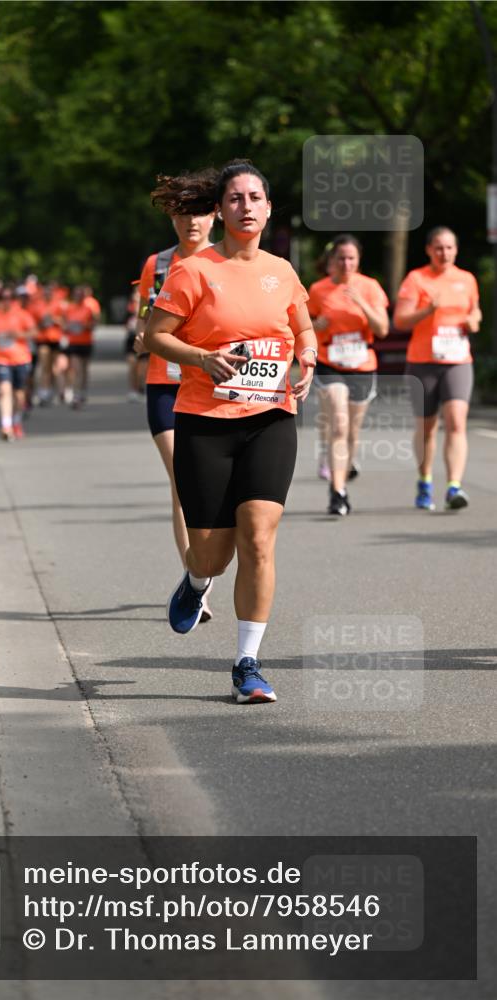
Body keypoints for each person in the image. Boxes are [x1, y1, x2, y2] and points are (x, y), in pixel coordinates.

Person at [144, 160, 317, 704]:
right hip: (205, 421)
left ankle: (248, 663)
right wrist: (202, 357)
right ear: (220, 209)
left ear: (268, 208)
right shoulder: (195, 271)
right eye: (235, 197)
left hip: (271, 417)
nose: (246, 206)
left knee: (260, 540)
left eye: (255, 197)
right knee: (212, 555)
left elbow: (302, 325)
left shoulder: (282, 271)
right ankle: (196, 582)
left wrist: (308, 353)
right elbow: (154, 336)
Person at [134, 170, 218, 621]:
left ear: (215, 216)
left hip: (208, 386)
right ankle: (196, 584)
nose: (192, 223)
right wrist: (140, 336)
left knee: (205, 488)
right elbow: (145, 317)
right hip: (164, 383)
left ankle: (196, 576)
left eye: (201, 213)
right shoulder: (158, 264)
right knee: (181, 482)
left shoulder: (226, 264)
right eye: (182, 214)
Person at [394, 227, 481, 511]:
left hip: (457, 359)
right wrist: (427, 310)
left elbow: (475, 310)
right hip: (423, 361)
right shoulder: (416, 279)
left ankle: (454, 486)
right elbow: (400, 321)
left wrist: (474, 321)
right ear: (429, 250)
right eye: (438, 248)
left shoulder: (466, 279)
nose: (444, 253)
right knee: (427, 427)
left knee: (457, 422)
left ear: (456, 250)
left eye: (449, 248)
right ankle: (425, 480)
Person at [308, 234, 389, 516]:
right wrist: (316, 324)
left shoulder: (370, 287)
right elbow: (303, 327)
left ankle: (345, 468)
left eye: (351, 258)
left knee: (352, 431)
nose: (346, 263)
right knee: (339, 425)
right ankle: (337, 491)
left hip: (362, 364)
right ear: (333, 260)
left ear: (359, 260)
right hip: (330, 363)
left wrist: (361, 304)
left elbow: (382, 329)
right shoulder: (318, 290)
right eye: (341, 258)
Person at [0, 284, 36, 440]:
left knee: (19, 396)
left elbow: (34, 332)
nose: (6, 302)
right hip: (0, 359)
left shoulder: (22, 314)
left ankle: (16, 421)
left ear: (13, 300)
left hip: (21, 358)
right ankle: (6, 426)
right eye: (2, 299)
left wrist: (18, 334)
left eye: (9, 299)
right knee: (5, 390)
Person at [29, 280, 66, 405]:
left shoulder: (58, 305)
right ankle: (44, 391)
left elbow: (65, 322)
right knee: (45, 366)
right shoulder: (37, 305)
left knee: (55, 367)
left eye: (50, 291)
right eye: (45, 291)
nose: (47, 294)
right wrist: (42, 323)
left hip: (55, 339)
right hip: (42, 339)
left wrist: (54, 320)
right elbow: (32, 325)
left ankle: (60, 391)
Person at [64, 285, 98, 408]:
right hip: (74, 342)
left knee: (84, 370)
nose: (78, 297)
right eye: (76, 295)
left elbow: (94, 324)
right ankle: (76, 394)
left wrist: (85, 326)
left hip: (86, 341)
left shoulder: (89, 308)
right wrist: (68, 327)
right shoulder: (69, 308)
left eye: (80, 295)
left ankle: (83, 391)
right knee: (76, 369)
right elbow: (64, 324)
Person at [124, 285, 147, 402]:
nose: (136, 296)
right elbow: (125, 322)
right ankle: (133, 389)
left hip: (143, 339)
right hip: (131, 338)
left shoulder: (146, 307)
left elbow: (146, 319)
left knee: (142, 369)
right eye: (135, 293)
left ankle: (140, 388)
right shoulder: (130, 307)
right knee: (132, 365)